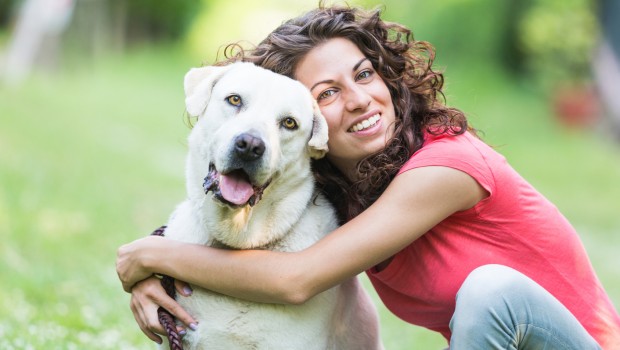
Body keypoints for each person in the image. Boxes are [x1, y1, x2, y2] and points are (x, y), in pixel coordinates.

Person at [116, 3, 620, 349]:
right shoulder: (349, 191)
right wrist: (159, 276)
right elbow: (257, 236)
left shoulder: (448, 167)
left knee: (492, 291)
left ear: (385, 75)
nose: (358, 98)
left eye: (363, 74)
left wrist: (149, 256)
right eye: (328, 93)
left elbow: (295, 279)